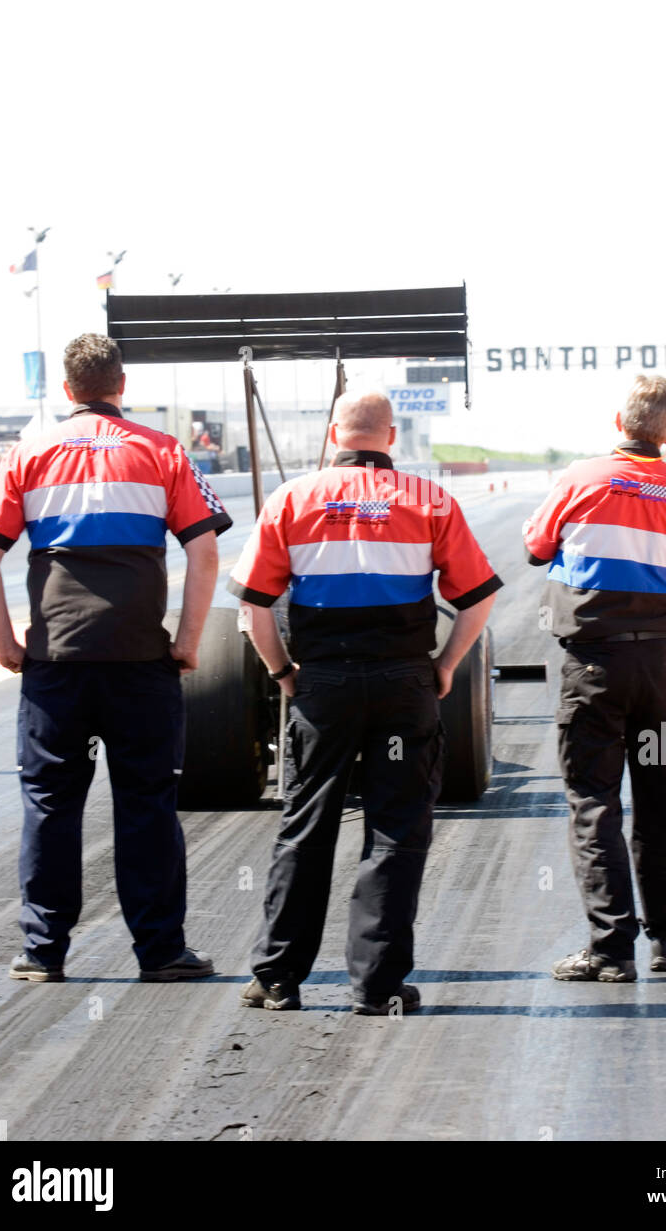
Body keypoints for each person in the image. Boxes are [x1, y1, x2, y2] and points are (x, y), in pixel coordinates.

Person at [0, 333, 233, 983]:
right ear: (122, 386)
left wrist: (5, 645)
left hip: (56, 661)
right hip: (140, 659)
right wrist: (188, 642)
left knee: (51, 802)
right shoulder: (163, 451)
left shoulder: (29, 452)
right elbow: (204, 551)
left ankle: (42, 952)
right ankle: (161, 951)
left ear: (67, 390)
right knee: (146, 802)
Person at [228, 390, 501, 1015]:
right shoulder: (431, 501)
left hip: (324, 687)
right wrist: (445, 665)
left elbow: (253, 605)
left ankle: (277, 979)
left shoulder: (293, 499)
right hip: (405, 685)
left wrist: (284, 673)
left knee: (305, 826)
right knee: (396, 832)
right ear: (391, 436)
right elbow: (478, 597)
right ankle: (377, 989)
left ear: (334, 435)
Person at [522, 374, 666, 981]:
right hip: (661, 670)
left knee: (594, 803)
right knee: (665, 801)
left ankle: (610, 952)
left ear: (617, 422)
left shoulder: (580, 477)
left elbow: (535, 544)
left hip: (594, 667)